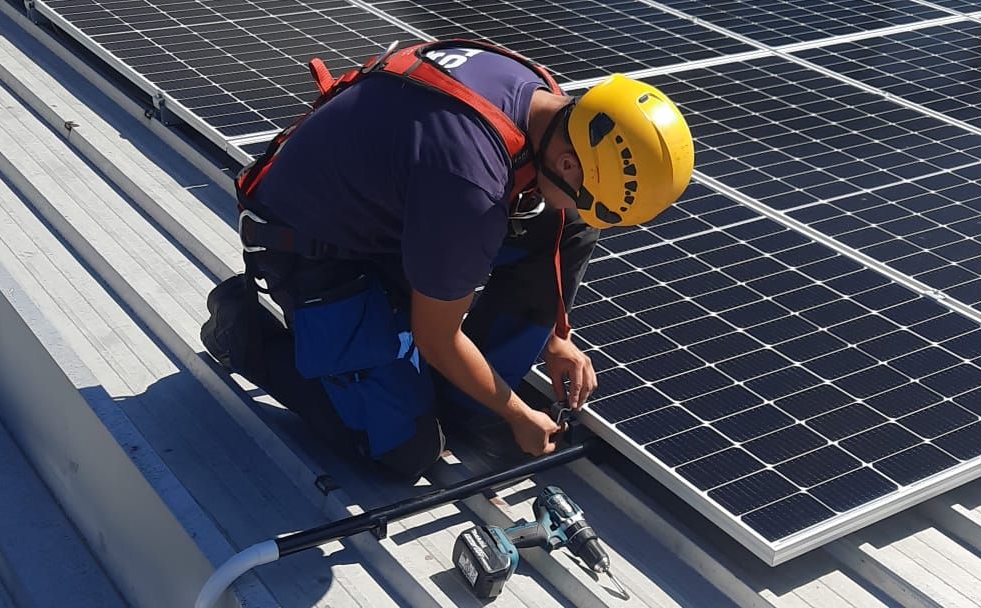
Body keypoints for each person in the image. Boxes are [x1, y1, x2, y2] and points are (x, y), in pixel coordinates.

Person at [201, 40, 693, 481]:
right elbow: (435, 337)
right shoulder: (470, 183)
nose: (581, 209)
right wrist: (519, 414)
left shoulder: (543, 99)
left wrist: (556, 338)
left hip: (391, 209)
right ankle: (243, 332)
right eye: (586, 198)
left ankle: (466, 404)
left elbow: (553, 216)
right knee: (402, 449)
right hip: (313, 247)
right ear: (568, 162)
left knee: (566, 227)